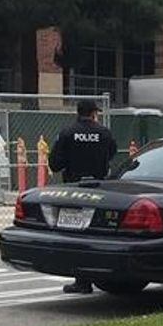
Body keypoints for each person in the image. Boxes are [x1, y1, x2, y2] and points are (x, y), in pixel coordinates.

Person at [48, 98, 117, 294]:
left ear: (77, 112)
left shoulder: (67, 133)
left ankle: (82, 280)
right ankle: (103, 273)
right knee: (98, 233)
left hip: (74, 191)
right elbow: (112, 153)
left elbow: (55, 163)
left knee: (76, 235)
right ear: (94, 113)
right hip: (99, 191)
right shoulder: (104, 133)